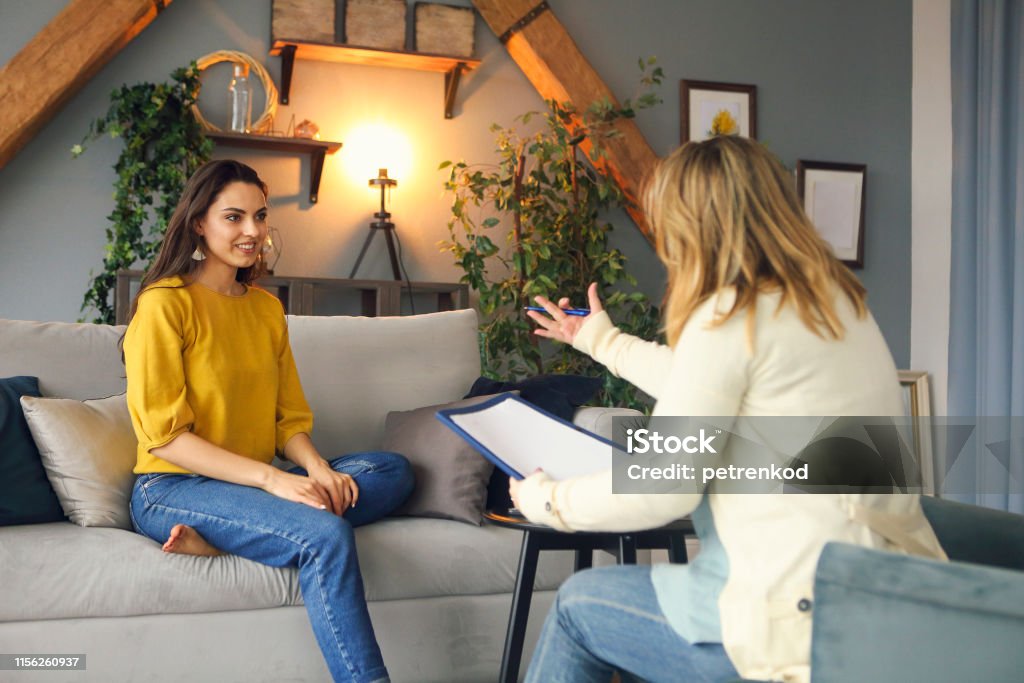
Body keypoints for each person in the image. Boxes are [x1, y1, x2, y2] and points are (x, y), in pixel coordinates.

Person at [512, 136, 947, 683]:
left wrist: (546, 499)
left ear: (693, 226)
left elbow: (663, 484)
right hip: (876, 595)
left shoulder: (730, 313)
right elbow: (705, 385)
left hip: (801, 620)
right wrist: (601, 341)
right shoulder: (832, 304)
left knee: (579, 606)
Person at [124, 159, 414, 683]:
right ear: (199, 223)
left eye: (260, 217)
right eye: (234, 217)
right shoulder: (163, 305)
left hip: (255, 488)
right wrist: (274, 480)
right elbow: (164, 437)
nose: (253, 232)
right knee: (325, 536)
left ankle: (233, 536)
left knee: (390, 470)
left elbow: (288, 420)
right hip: (173, 488)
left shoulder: (264, 309)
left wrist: (317, 468)